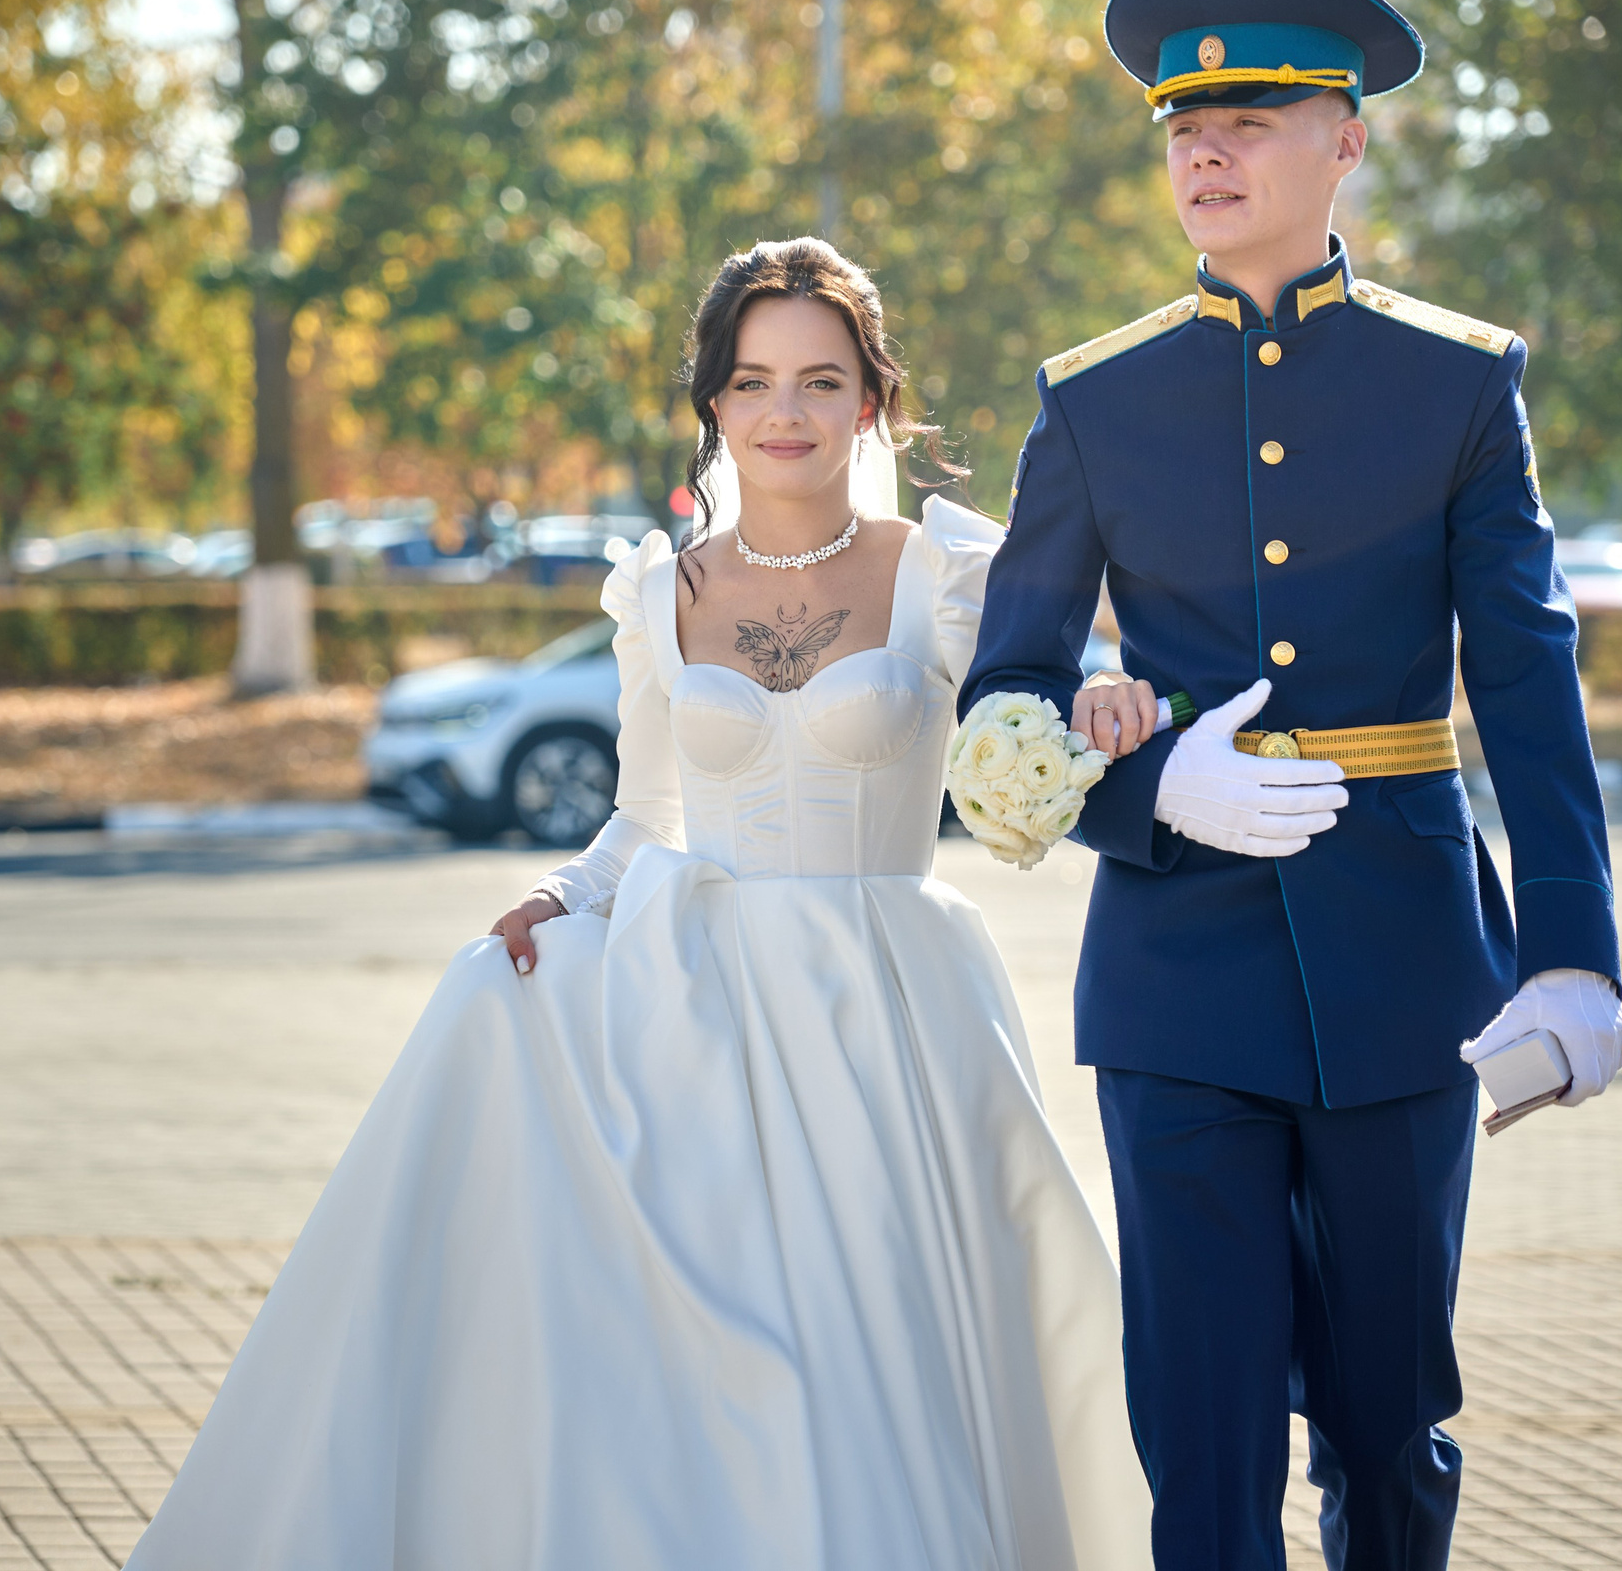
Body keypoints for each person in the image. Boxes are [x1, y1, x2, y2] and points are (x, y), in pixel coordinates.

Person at [125, 238, 1155, 1571]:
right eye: (754, 380)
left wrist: (1110, 706)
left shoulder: (944, 573)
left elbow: (1045, 697)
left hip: (881, 1015)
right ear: (715, 404)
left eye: (821, 380)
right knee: (701, 1354)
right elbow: (644, 809)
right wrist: (561, 893)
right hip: (692, 1014)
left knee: (875, 1345)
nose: (786, 411)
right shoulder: (657, 592)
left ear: (871, 401)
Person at [959, 0, 1622, 1571]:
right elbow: (1002, 704)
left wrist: (1576, 961)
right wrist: (1144, 791)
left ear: (1349, 141)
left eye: (1252, 117)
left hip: (1407, 977)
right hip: (1175, 983)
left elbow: (1528, 681)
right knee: (1199, 1446)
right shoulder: (1094, 401)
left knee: (1393, 1430)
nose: (1207, 149)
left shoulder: (1461, 382)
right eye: (1184, 123)